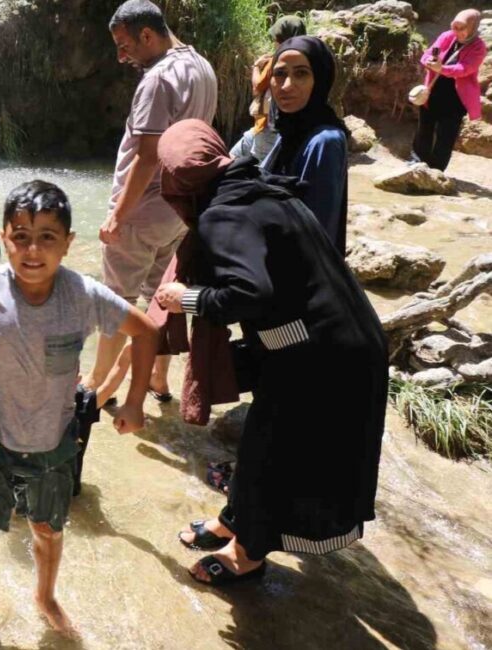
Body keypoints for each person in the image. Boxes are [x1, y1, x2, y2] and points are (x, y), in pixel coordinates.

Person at [0, 181, 157, 642]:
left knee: (47, 529)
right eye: (20, 236)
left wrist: (136, 400)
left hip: (51, 437)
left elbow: (145, 330)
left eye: (47, 237)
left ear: (68, 243)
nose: (32, 250)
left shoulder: (83, 296)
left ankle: (45, 596)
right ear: (5, 239)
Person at [153, 120, 387, 586]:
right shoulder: (258, 187)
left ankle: (247, 554)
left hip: (322, 354)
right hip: (337, 337)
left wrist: (187, 298)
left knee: (272, 453)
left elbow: (250, 293)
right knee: (261, 442)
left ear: (177, 179)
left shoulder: (224, 214)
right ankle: (235, 520)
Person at [84, 0, 217, 405]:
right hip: (179, 208)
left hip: (142, 211)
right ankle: (159, 380)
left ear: (147, 34)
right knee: (163, 298)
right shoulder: (202, 67)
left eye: (125, 45)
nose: (121, 56)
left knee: (115, 300)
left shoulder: (157, 80)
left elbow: (146, 155)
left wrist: (116, 216)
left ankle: (95, 387)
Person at [260, 36, 350, 252]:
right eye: (279, 74)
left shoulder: (324, 142)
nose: (286, 86)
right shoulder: (291, 132)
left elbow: (315, 235)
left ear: (320, 80)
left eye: (301, 74)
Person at [411, 9, 487, 173]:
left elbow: (465, 69)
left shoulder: (478, 47)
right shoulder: (447, 36)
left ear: (472, 27)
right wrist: (429, 62)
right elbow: (428, 54)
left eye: (462, 28)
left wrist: (442, 68)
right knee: (424, 128)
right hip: (433, 92)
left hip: (456, 98)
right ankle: (417, 162)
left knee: (446, 135)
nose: (457, 32)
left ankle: (436, 170)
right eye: (455, 27)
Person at [228, 16, 307, 161]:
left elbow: (257, 87)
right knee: (232, 156)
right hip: (276, 126)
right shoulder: (308, 60)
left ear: (282, 39)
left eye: (276, 38)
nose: (274, 42)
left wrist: (256, 67)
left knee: (259, 172)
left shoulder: (279, 60)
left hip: (269, 128)